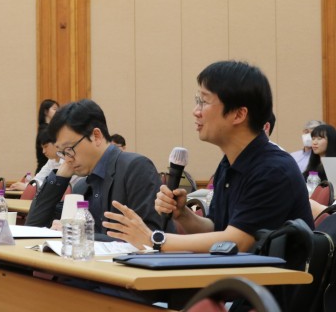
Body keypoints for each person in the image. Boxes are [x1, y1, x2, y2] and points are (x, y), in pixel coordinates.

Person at [103, 61, 314, 253]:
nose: (196, 111)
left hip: (267, 283)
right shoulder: (230, 163)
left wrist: (155, 239)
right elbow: (218, 229)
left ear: (238, 114)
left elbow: (237, 242)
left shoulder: (273, 169)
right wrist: (183, 214)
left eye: (203, 101)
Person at [25, 99, 165, 238]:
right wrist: (59, 178)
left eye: (69, 148)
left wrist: (78, 234)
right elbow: (33, 226)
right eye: (62, 152)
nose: (67, 159)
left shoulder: (136, 168)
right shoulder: (82, 187)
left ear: (96, 136)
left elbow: (151, 238)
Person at [36, 99, 59, 172]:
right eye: (55, 109)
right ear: (46, 111)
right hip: (45, 170)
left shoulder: (48, 128)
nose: (58, 112)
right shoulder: (45, 130)